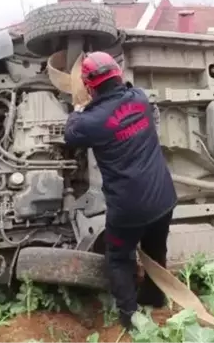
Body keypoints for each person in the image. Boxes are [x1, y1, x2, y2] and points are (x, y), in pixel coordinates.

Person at [64, 51, 178, 329]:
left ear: (90, 85)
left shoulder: (90, 121)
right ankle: (155, 296)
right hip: (163, 197)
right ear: (118, 74)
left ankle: (130, 317)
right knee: (155, 249)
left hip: (129, 208)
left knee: (118, 257)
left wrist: (79, 108)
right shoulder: (140, 99)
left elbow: (70, 134)